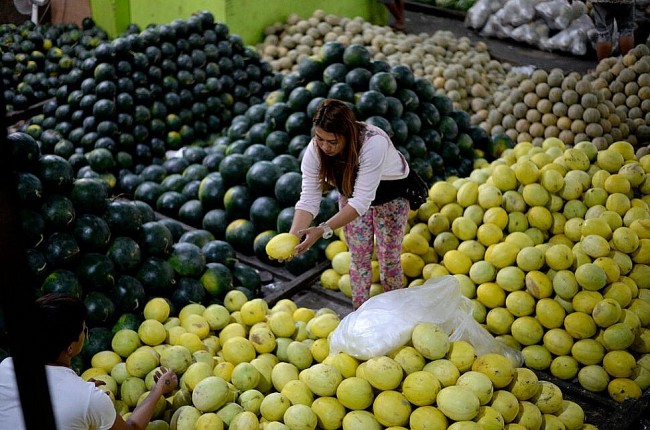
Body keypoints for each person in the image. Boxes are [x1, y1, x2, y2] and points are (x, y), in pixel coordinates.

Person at [290, 99, 411, 309]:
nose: (325, 146)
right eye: (320, 138)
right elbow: (309, 197)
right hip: (353, 194)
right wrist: (292, 237)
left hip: (390, 196)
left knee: (389, 258)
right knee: (358, 257)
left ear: (348, 135)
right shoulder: (316, 149)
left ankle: (396, 313)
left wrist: (323, 229)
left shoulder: (373, 143)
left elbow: (361, 202)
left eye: (333, 142)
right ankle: (359, 313)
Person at [0, 293, 178, 430]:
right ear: (70, 347)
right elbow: (131, 428)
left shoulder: (7, 366)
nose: (86, 334)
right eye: (83, 331)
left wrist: (79, 391)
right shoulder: (89, 399)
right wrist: (159, 389)